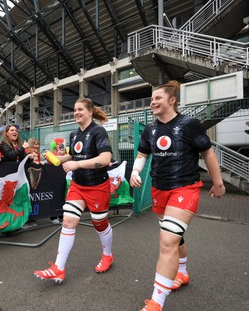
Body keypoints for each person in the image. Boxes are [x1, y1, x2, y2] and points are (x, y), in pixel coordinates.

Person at [129, 81, 225, 311]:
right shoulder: (151, 129)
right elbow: (142, 154)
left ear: (172, 101)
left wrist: (219, 182)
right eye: (151, 99)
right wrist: (134, 171)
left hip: (185, 188)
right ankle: (181, 273)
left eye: (157, 98)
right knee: (175, 238)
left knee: (168, 239)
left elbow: (208, 154)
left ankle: (156, 302)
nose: (152, 102)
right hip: (159, 190)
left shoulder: (189, 124)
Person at [34, 97, 113, 283]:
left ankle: (108, 255)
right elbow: (72, 155)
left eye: (80, 109)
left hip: (98, 186)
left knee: (100, 223)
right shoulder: (74, 134)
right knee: (68, 221)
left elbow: (104, 159)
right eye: (75, 109)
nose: (76, 112)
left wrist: (76, 164)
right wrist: (54, 159)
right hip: (78, 185)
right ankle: (58, 268)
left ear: (90, 112)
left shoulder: (98, 132)